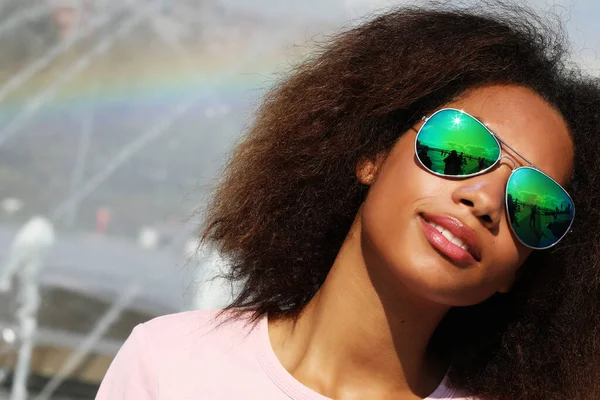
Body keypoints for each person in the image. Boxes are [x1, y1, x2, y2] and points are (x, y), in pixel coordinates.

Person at [96, 3, 600, 400]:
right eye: (460, 149)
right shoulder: (168, 364)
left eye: (536, 205)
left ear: (520, 270)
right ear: (372, 155)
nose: (485, 199)